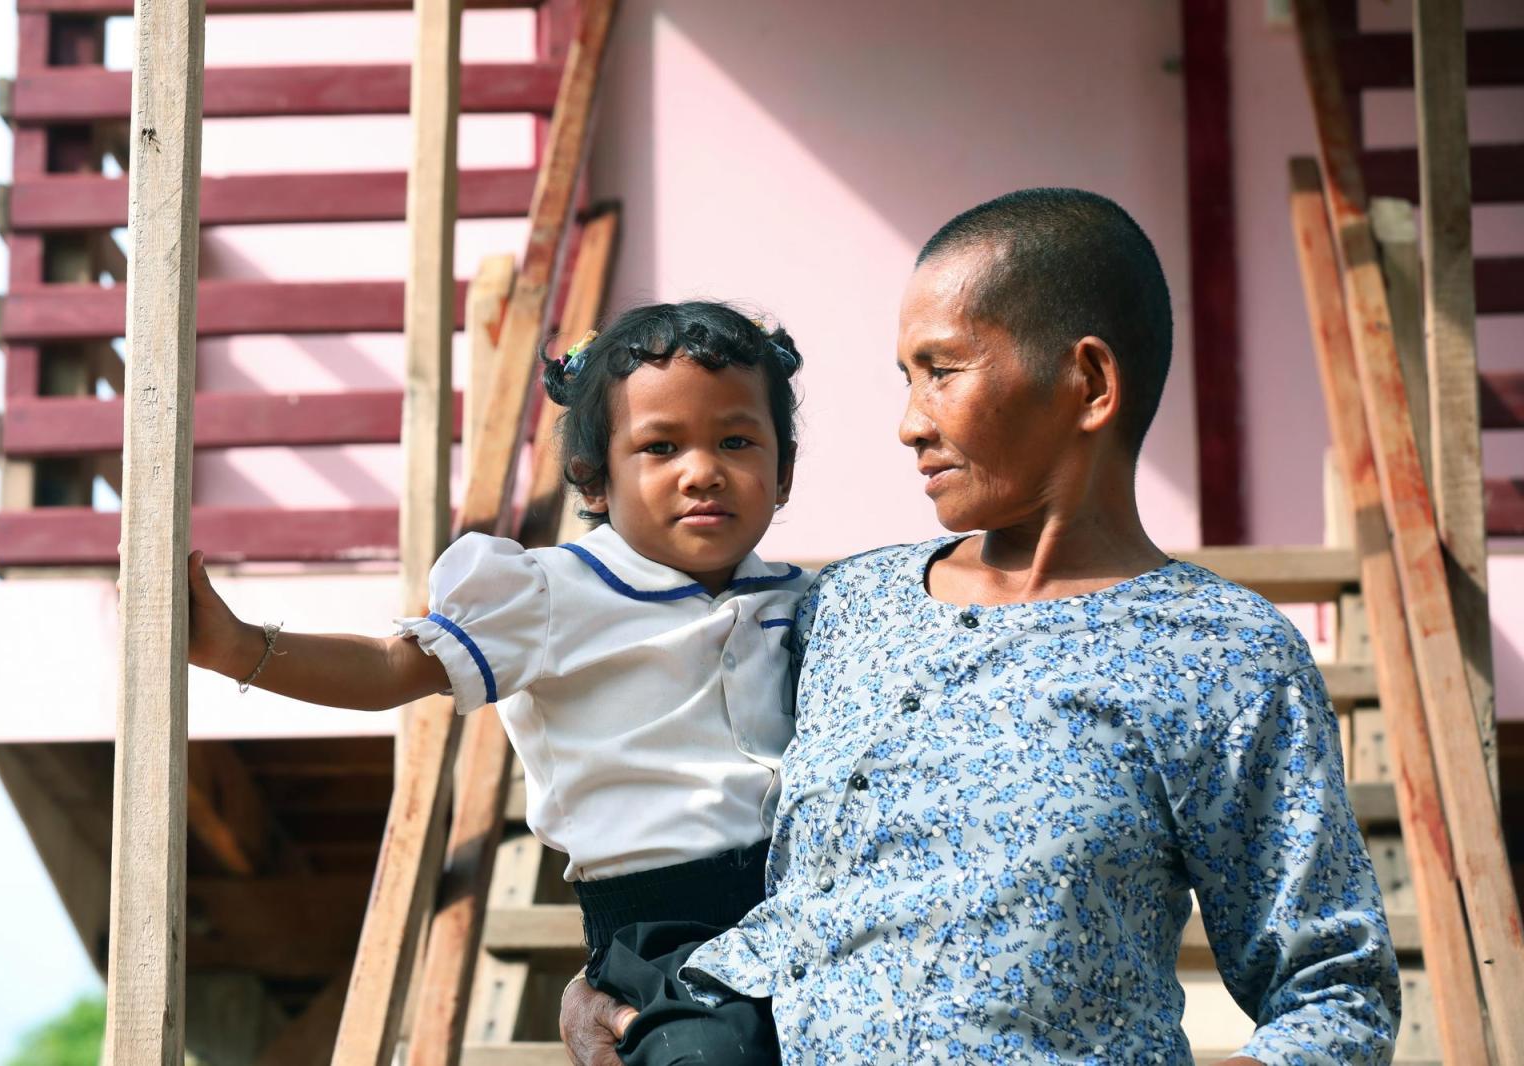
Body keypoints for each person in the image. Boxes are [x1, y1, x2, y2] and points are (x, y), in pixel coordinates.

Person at [561, 189, 1400, 1064]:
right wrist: (605, 991)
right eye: (905, 378)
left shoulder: (1222, 658)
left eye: (943, 370)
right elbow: (683, 814)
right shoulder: (847, 607)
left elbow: (1330, 992)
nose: (909, 423)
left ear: (1089, 382)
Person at [188, 301, 814, 1065]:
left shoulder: (804, 598)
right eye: (660, 446)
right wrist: (239, 648)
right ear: (594, 478)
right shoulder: (553, 593)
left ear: (781, 471)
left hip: (798, 897)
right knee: (713, 1056)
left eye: (737, 440)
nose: (703, 469)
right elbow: (391, 668)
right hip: (659, 922)